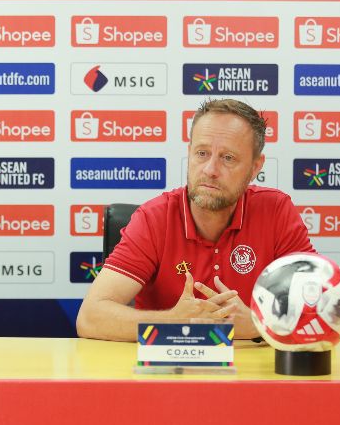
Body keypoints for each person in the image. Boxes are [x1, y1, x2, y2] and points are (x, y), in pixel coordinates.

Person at [76, 99, 314, 342]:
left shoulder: (276, 211)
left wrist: (258, 324)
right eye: (202, 153)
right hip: (167, 372)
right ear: (189, 152)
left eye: (228, 158)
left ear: (255, 167)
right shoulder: (154, 219)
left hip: (252, 374)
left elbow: (321, 309)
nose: (210, 169)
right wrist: (175, 321)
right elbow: (90, 318)